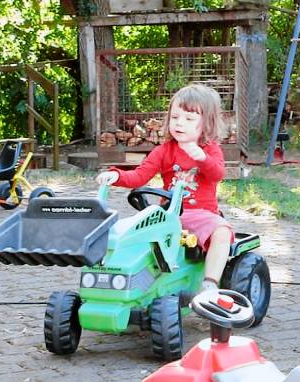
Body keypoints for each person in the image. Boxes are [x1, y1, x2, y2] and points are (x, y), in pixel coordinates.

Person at [96, 84, 232, 293]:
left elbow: (217, 175)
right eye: (175, 117)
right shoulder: (163, 151)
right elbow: (139, 176)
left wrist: (203, 159)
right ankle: (129, 282)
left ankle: (210, 284)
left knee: (222, 232)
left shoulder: (210, 150)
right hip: (169, 216)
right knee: (127, 232)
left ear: (206, 124)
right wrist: (116, 175)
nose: (180, 123)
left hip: (201, 215)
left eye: (189, 119)